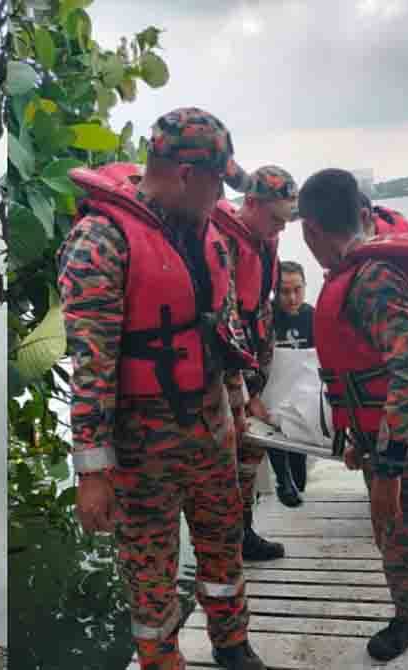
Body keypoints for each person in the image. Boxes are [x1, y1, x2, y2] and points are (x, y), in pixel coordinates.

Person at [59, 107, 267, 670]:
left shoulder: (211, 236)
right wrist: (92, 472)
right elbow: (91, 364)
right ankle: (160, 658)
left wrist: (239, 400)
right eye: (216, 183)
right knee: (150, 571)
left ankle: (231, 643)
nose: (219, 196)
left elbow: (224, 326)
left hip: (211, 426)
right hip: (140, 441)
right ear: (184, 173)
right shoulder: (100, 242)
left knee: (224, 542)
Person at [300, 168, 408, 668]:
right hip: (396, 442)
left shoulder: (372, 278)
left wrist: (388, 471)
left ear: (310, 231)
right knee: (395, 551)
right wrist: (362, 439)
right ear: (362, 213)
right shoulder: (371, 268)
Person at [211, 166, 298, 560]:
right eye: (276, 219)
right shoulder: (223, 242)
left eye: (286, 221)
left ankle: (243, 532)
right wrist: (246, 391)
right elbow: (226, 322)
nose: (280, 229)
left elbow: (261, 307)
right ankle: (226, 544)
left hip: (257, 366)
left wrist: (267, 375)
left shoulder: (264, 241)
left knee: (251, 453)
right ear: (251, 203)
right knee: (229, 457)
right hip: (228, 372)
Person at [267, 260, 314, 507]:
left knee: (300, 465)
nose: (292, 297)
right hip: (273, 390)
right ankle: (282, 480)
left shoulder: (312, 316)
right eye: (285, 291)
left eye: (298, 289)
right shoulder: (266, 317)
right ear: (275, 291)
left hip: (302, 391)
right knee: (276, 438)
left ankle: (295, 481)